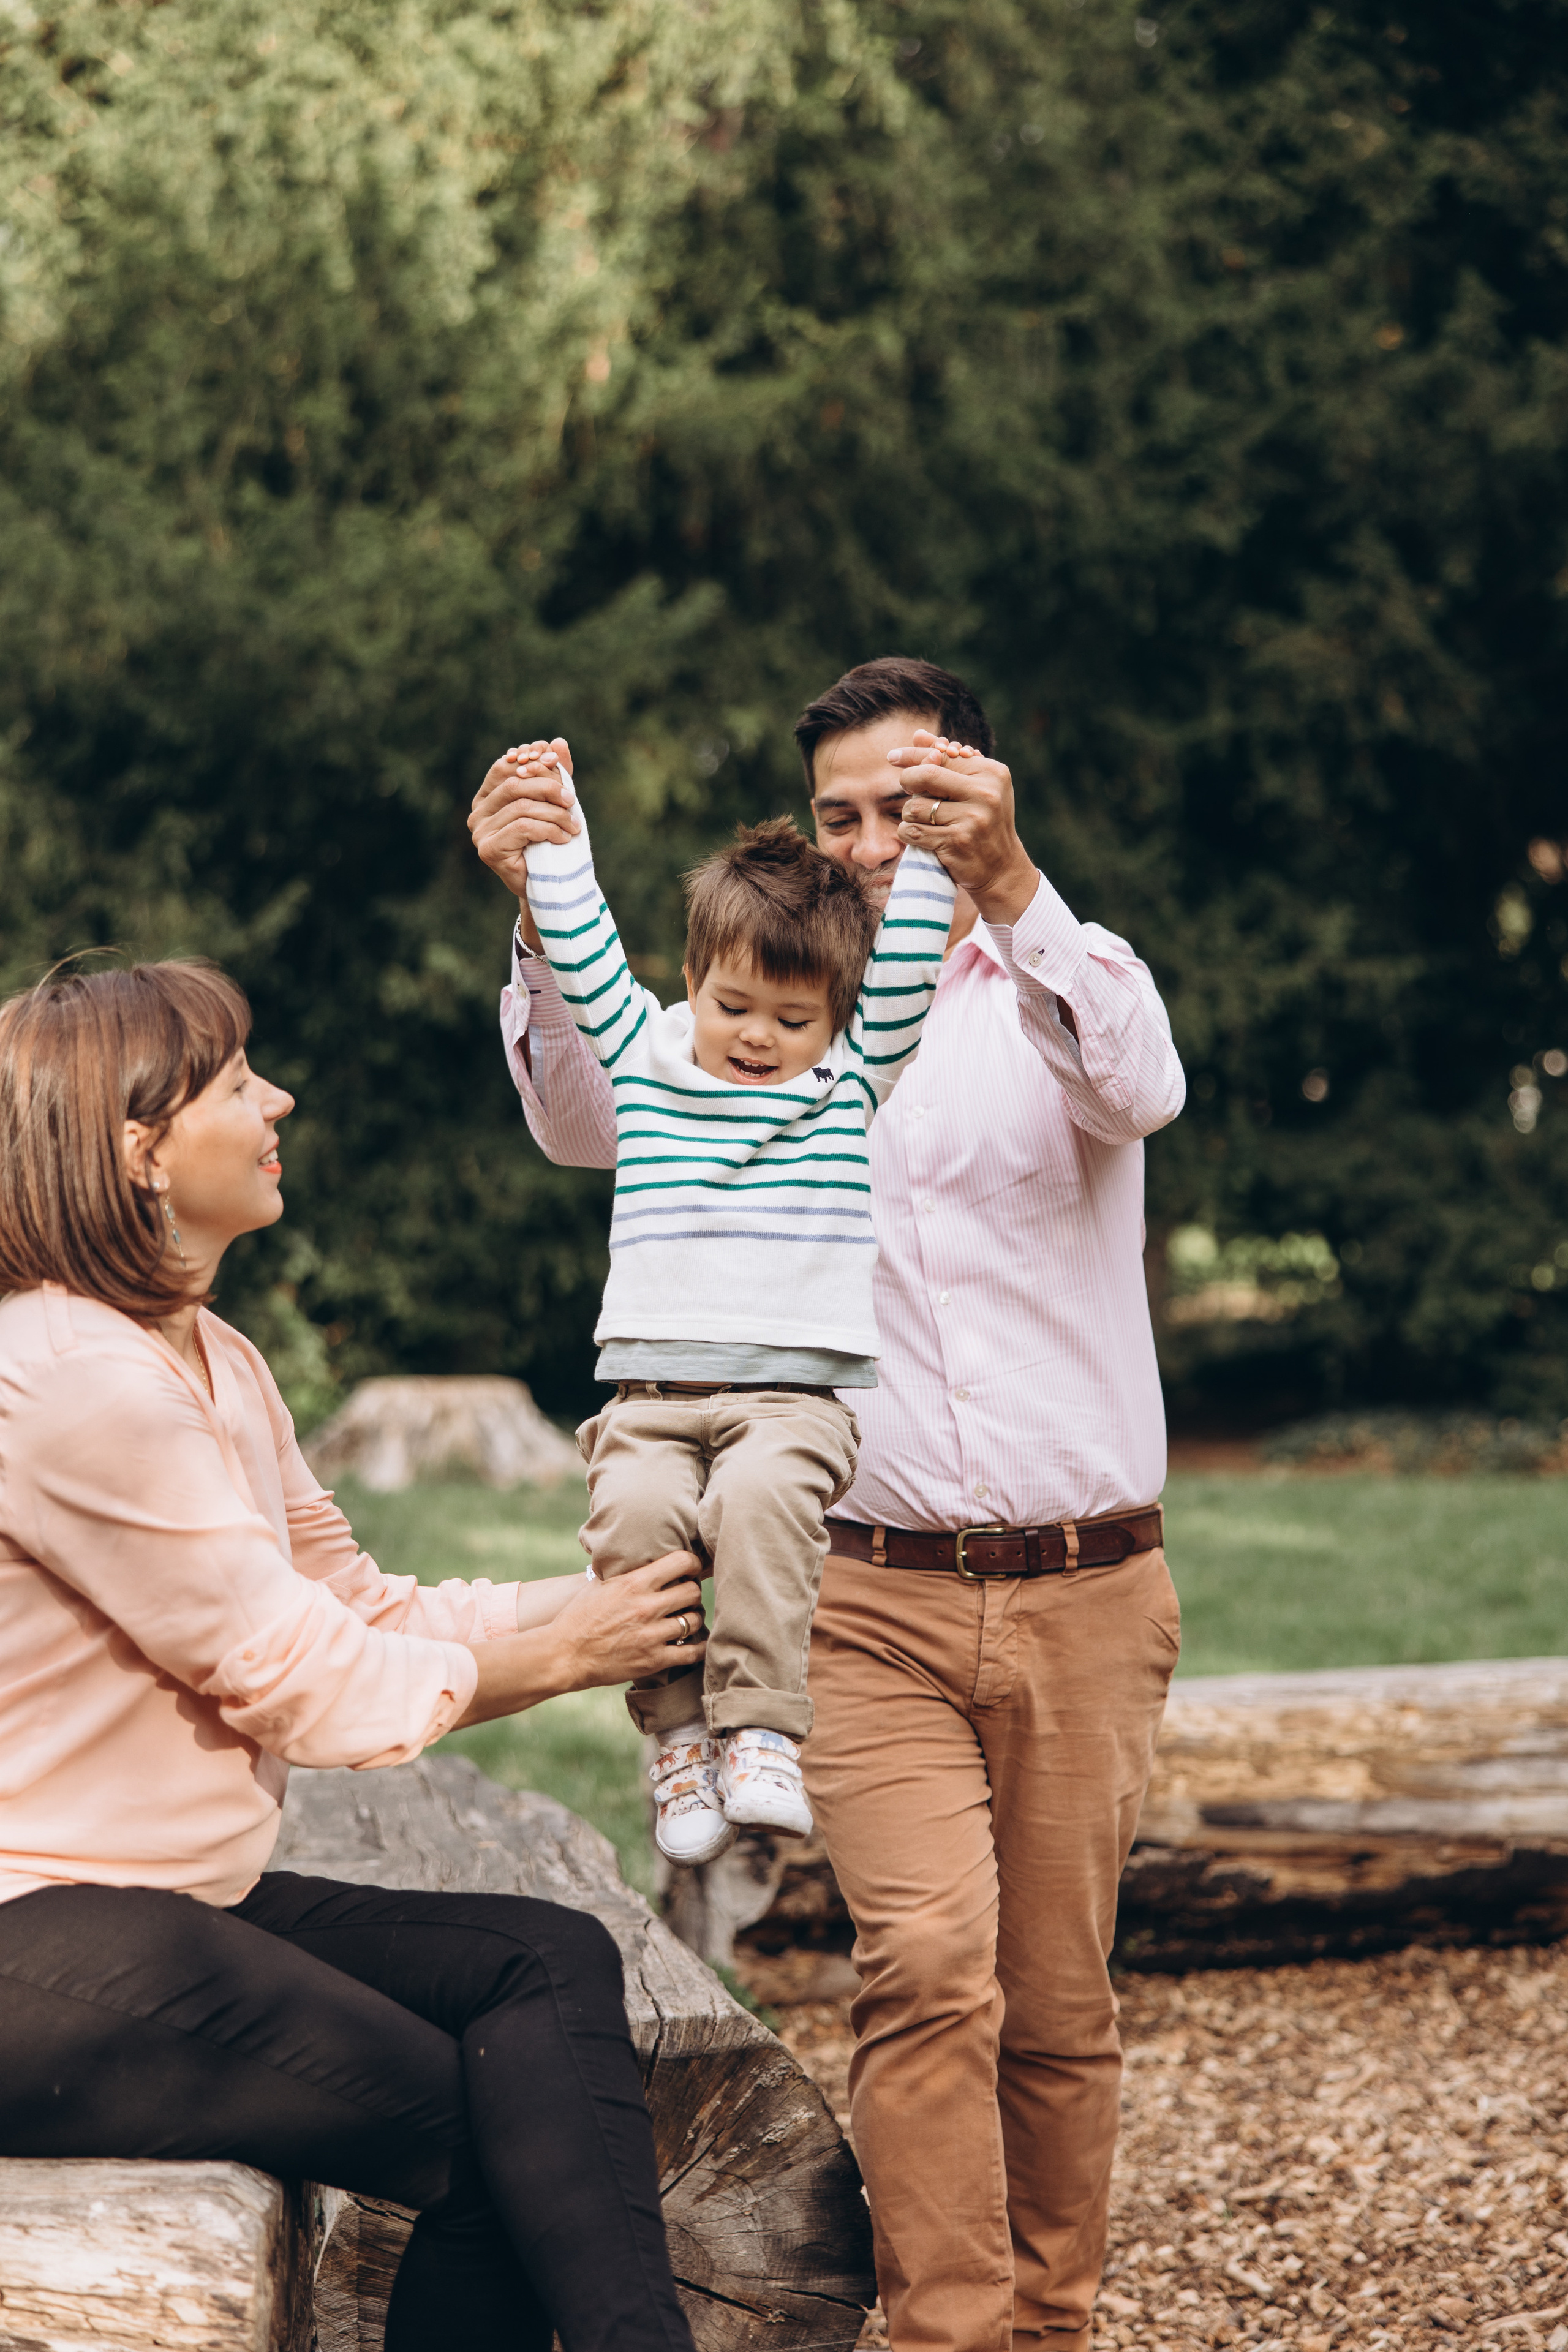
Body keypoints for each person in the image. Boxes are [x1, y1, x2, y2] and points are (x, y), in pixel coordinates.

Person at [469, 657, 1186, 2352]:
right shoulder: (761, 1022)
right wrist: (534, 913)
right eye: (844, 815)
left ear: (980, 800)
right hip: (856, 1586)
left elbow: (1140, 1086)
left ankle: (1051, 2322)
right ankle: (947, 2336)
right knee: (930, 1969)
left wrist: (1011, 891)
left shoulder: (1063, 990)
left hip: (1089, 1584)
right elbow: (590, 1119)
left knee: (1062, 2006)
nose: (872, 842)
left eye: (908, 807)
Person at [0, 958, 709, 2352]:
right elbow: (299, 1678)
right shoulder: (70, 1377)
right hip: (32, 1934)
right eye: (233, 1081)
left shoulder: (209, 1356)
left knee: (540, 1961)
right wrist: (564, 1659)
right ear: (141, 1149)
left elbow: (360, 1608)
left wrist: (593, 1601)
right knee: (474, 2131)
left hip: (156, 1903)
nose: (279, 1099)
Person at [517, 758, 954, 1864]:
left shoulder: (853, 1079)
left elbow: (904, 967)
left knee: (763, 1507)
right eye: (734, 1006)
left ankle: (759, 1727)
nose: (759, 1036)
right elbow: (582, 947)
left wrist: (940, 844)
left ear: (839, 1021)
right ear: (691, 979)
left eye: (794, 1019)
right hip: (651, 1393)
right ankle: (677, 1740)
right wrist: (559, 834)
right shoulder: (645, 1053)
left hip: (792, 1399)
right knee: (632, 1529)